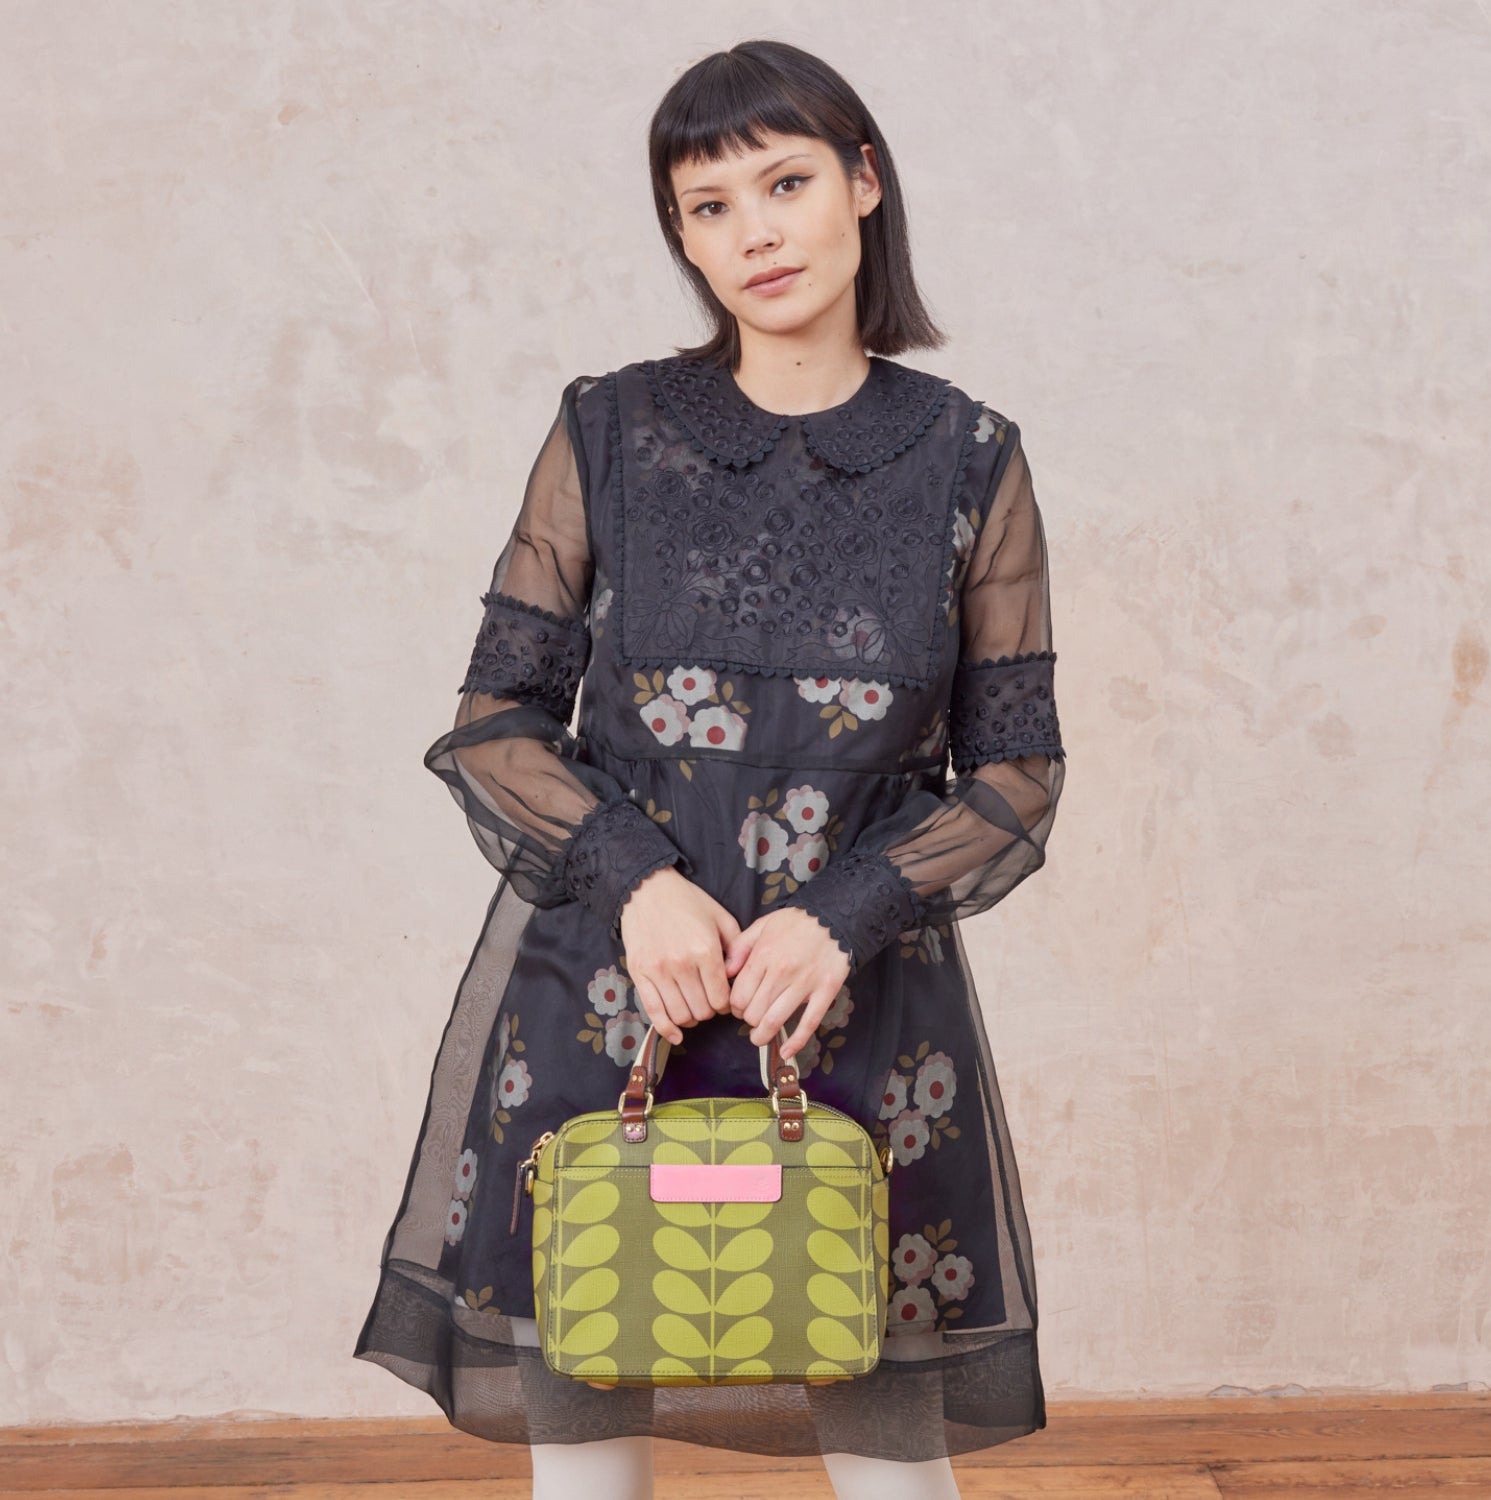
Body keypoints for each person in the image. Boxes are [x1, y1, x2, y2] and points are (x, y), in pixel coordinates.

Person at [353, 37, 1067, 1500]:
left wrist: (843, 914)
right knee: (589, 1439)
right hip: (616, 988)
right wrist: (638, 881)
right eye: (708, 204)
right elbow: (497, 718)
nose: (754, 232)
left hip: (855, 1002)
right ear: (681, 233)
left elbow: (1016, 773)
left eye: (785, 182)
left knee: (888, 1455)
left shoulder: (970, 459)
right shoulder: (608, 431)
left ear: (863, 185)